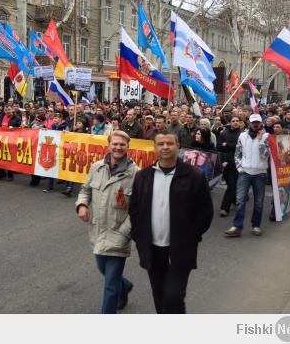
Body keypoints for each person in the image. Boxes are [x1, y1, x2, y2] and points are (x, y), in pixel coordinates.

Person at [128, 130, 213, 314]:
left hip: (180, 249)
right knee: (158, 295)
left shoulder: (194, 175)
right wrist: (138, 235)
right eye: (160, 144)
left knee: (173, 297)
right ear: (154, 147)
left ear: (178, 146)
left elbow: (205, 212)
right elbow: (134, 209)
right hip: (152, 248)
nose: (165, 147)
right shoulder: (143, 176)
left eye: (169, 143)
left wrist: (191, 237)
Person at [75, 130, 139, 314]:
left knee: (110, 286)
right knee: (104, 269)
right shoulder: (96, 167)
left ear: (128, 147)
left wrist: (124, 232)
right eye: (115, 144)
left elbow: (138, 209)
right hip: (98, 232)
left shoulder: (136, 174)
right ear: (109, 145)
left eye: (122, 144)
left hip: (120, 234)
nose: (118, 147)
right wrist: (82, 205)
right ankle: (125, 285)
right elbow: (85, 190)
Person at [225, 113, 270, 237]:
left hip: (260, 173)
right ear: (249, 123)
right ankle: (237, 226)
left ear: (261, 123)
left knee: (259, 202)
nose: (255, 124)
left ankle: (256, 226)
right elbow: (237, 153)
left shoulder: (267, 136)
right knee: (240, 200)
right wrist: (240, 168)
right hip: (245, 173)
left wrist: (261, 141)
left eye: (257, 122)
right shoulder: (243, 136)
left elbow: (265, 156)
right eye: (253, 122)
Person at [217, 116, 241, 217]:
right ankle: (234, 200)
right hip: (225, 163)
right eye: (233, 121)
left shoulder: (242, 135)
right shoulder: (224, 133)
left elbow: (239, 149)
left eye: (237, 121)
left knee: (231, 184)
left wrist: (227, 145)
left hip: (236, 163)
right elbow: (218, 147)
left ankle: (224, 208)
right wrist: (224, 159)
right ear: (230, 123)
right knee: (230, 183)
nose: (235, 122)